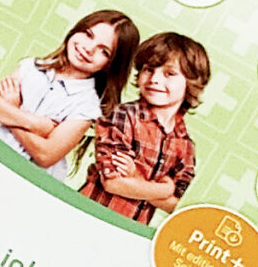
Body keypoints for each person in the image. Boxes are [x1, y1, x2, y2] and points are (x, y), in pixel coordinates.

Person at [0, 8, 136, 173]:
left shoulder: (87, 107)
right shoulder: (32, 67)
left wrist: (12, 109)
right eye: (88, 34)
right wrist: (36, 124)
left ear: (110, 64)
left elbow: (45, 155)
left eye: (104, 51)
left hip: (29, 179)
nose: (89, 48)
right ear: (76, 30)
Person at [81, 30, 209, 219]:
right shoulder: (122, 116)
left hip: (128, 230)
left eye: (169, 73)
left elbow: (175, 204)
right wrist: (165, 188)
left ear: (191, 83)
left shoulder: (185, 144)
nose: (154, 79)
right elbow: (114, 183)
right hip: (88, 214)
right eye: (148, 69)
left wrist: (136, 177)